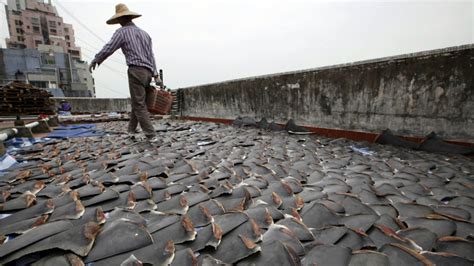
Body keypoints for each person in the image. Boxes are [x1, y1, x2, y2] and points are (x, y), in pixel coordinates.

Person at [89, 3, 161, 143]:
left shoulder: (122, 32)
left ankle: (151, 135)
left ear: (121, 19)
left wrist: (97, 59)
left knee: (139, 105)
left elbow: (109, 47)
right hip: (148, 72)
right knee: (137, 101)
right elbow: (151, 56)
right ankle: (131, 130)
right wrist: (156, 75)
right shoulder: (145, 34)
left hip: (136, 70)